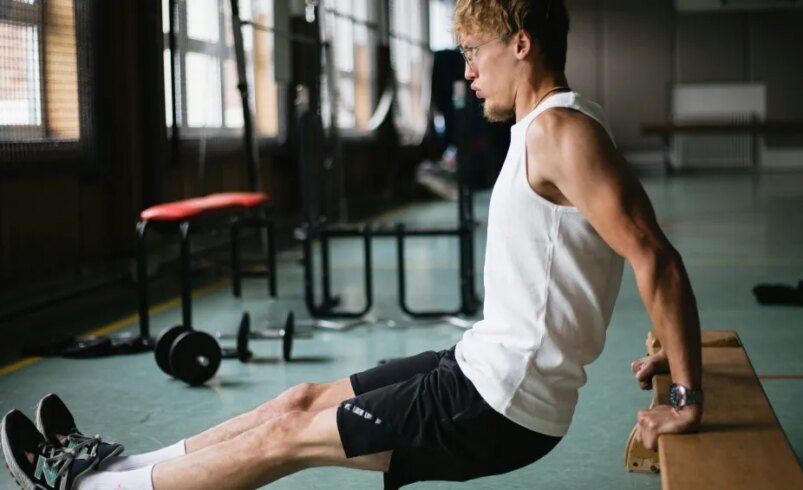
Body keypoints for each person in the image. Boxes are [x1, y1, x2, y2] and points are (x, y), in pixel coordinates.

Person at [1, 1, 703, 489]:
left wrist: (683, 391)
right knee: (293, 404)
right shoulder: (550, 128)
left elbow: (653, 253)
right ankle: (110, 471)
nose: (467, 71)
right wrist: (669, 347)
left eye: (474, 51)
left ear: (521, 43)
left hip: (499, 403)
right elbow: (627, 249)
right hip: (477, 364)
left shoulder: (560, 131)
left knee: (285, 444)